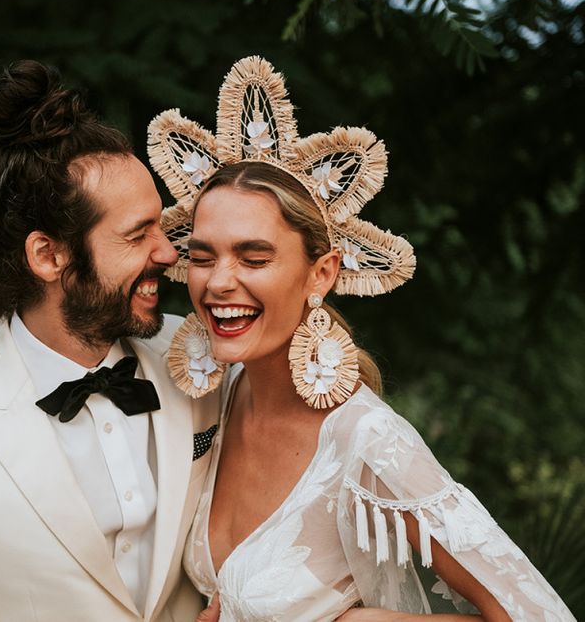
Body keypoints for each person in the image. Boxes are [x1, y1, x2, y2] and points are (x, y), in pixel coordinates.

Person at [147, 56, 575, 621]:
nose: (219, 282)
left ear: (320, 274)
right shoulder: (216, 397)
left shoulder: (370, 442)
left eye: (254, 257)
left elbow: (537, 614)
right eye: (203, 257)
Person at [0, 60, 219, 621]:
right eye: (137, 235)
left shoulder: (206, 356)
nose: (168, 252)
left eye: (161, 225)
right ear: (48, 255)